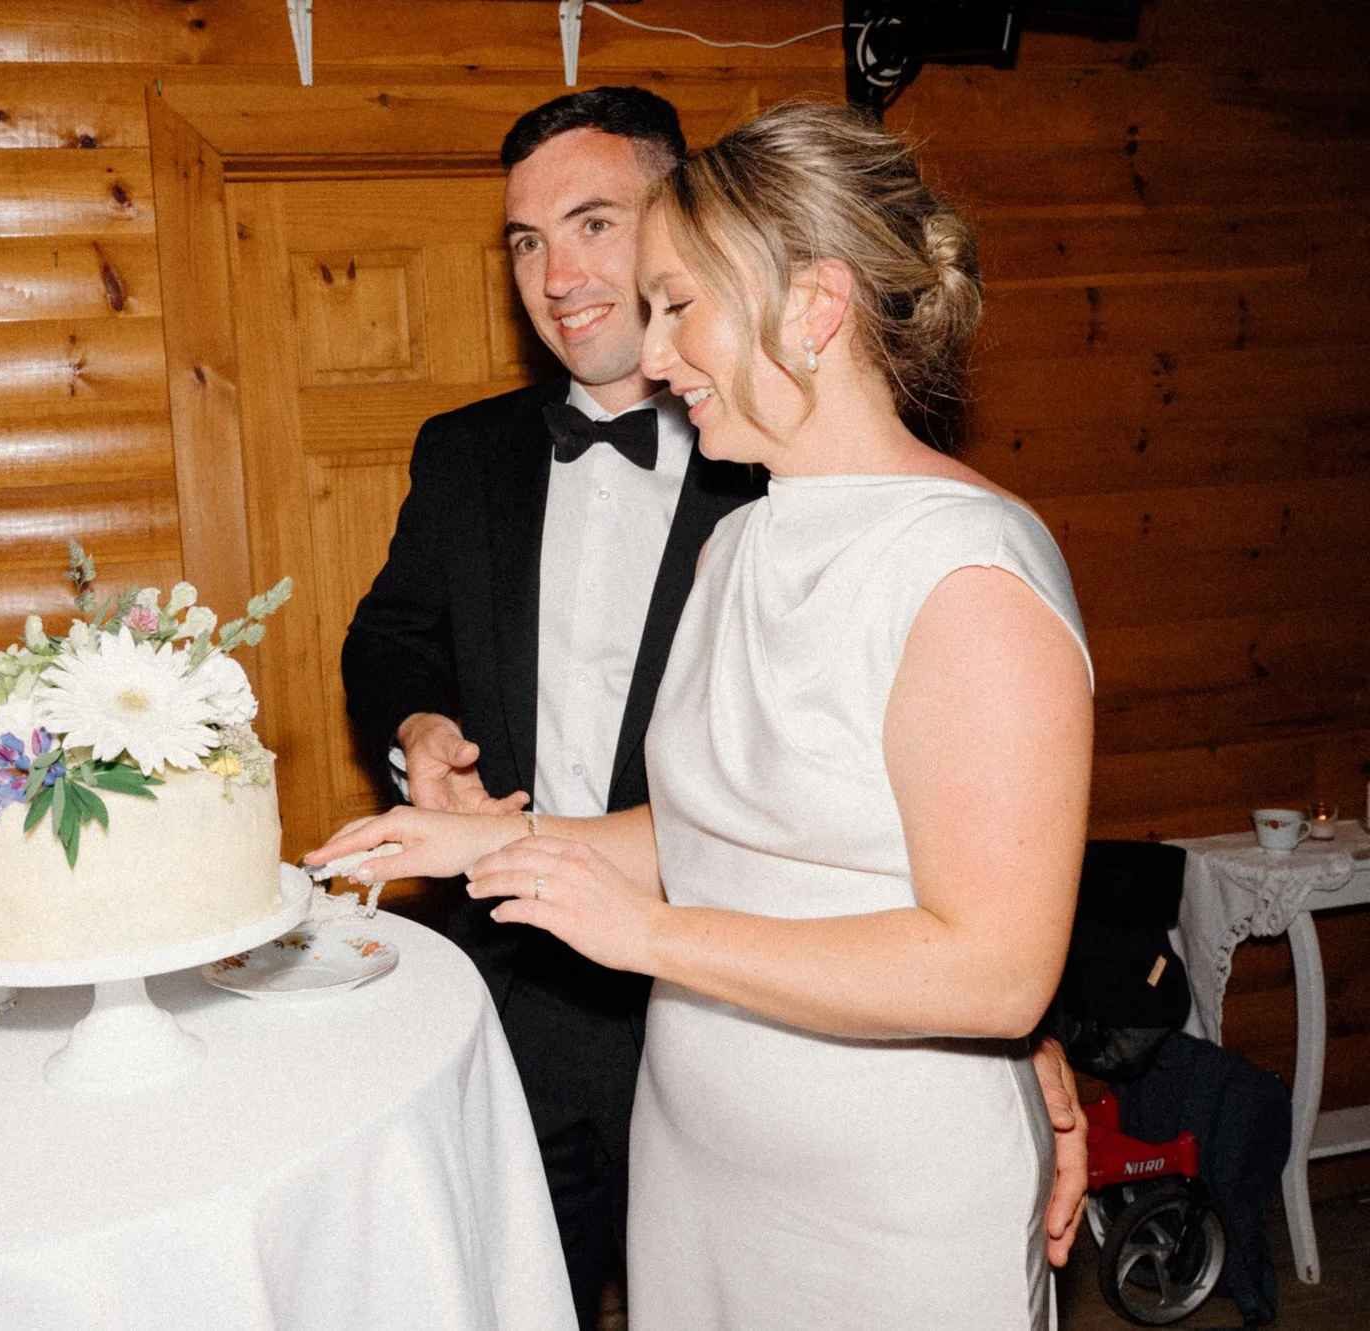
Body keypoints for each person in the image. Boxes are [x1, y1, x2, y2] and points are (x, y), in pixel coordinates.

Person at [337, 87, 1087, 1326]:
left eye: (677, 305)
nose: (654, 348)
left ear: (811, 306)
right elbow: (704, 830)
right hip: (696, 1161)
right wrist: (480, 840)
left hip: (884, 1197)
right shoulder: (738, 542)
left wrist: (644, 936)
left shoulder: (964, 571)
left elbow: (995, 969)